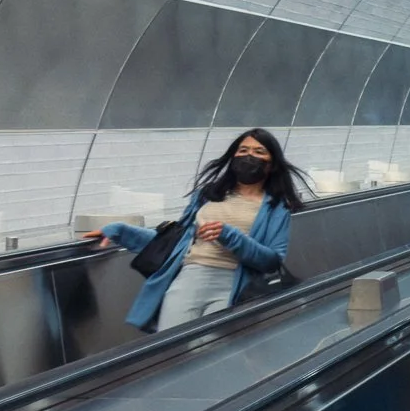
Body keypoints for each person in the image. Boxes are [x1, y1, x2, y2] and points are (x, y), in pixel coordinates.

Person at [84, 129, 307, 329]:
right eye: (243, 150)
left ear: (272, 163)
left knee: (210, 353)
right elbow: (175, 240)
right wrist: (118, 231)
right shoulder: (207, 195)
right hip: (190, 278)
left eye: (259, 152)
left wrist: (229, 236)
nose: (249, 156)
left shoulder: (276, 207)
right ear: (233, 156)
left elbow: (272, 260)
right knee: (172, 349)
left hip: (234, 286)